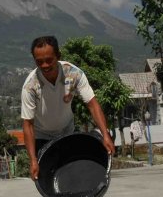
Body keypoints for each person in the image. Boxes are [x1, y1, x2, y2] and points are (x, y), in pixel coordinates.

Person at [21, 36, 115, 180]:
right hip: (42, 136)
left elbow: (92, 104)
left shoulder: (74, 74)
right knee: (49, 179)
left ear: (58, 56)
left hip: (66, 131)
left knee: (71, 174)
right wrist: (33, 160)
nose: (45, 65)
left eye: (49, 60)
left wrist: (105, 135)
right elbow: (27, 124)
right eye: (39, 62)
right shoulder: (30, 86)